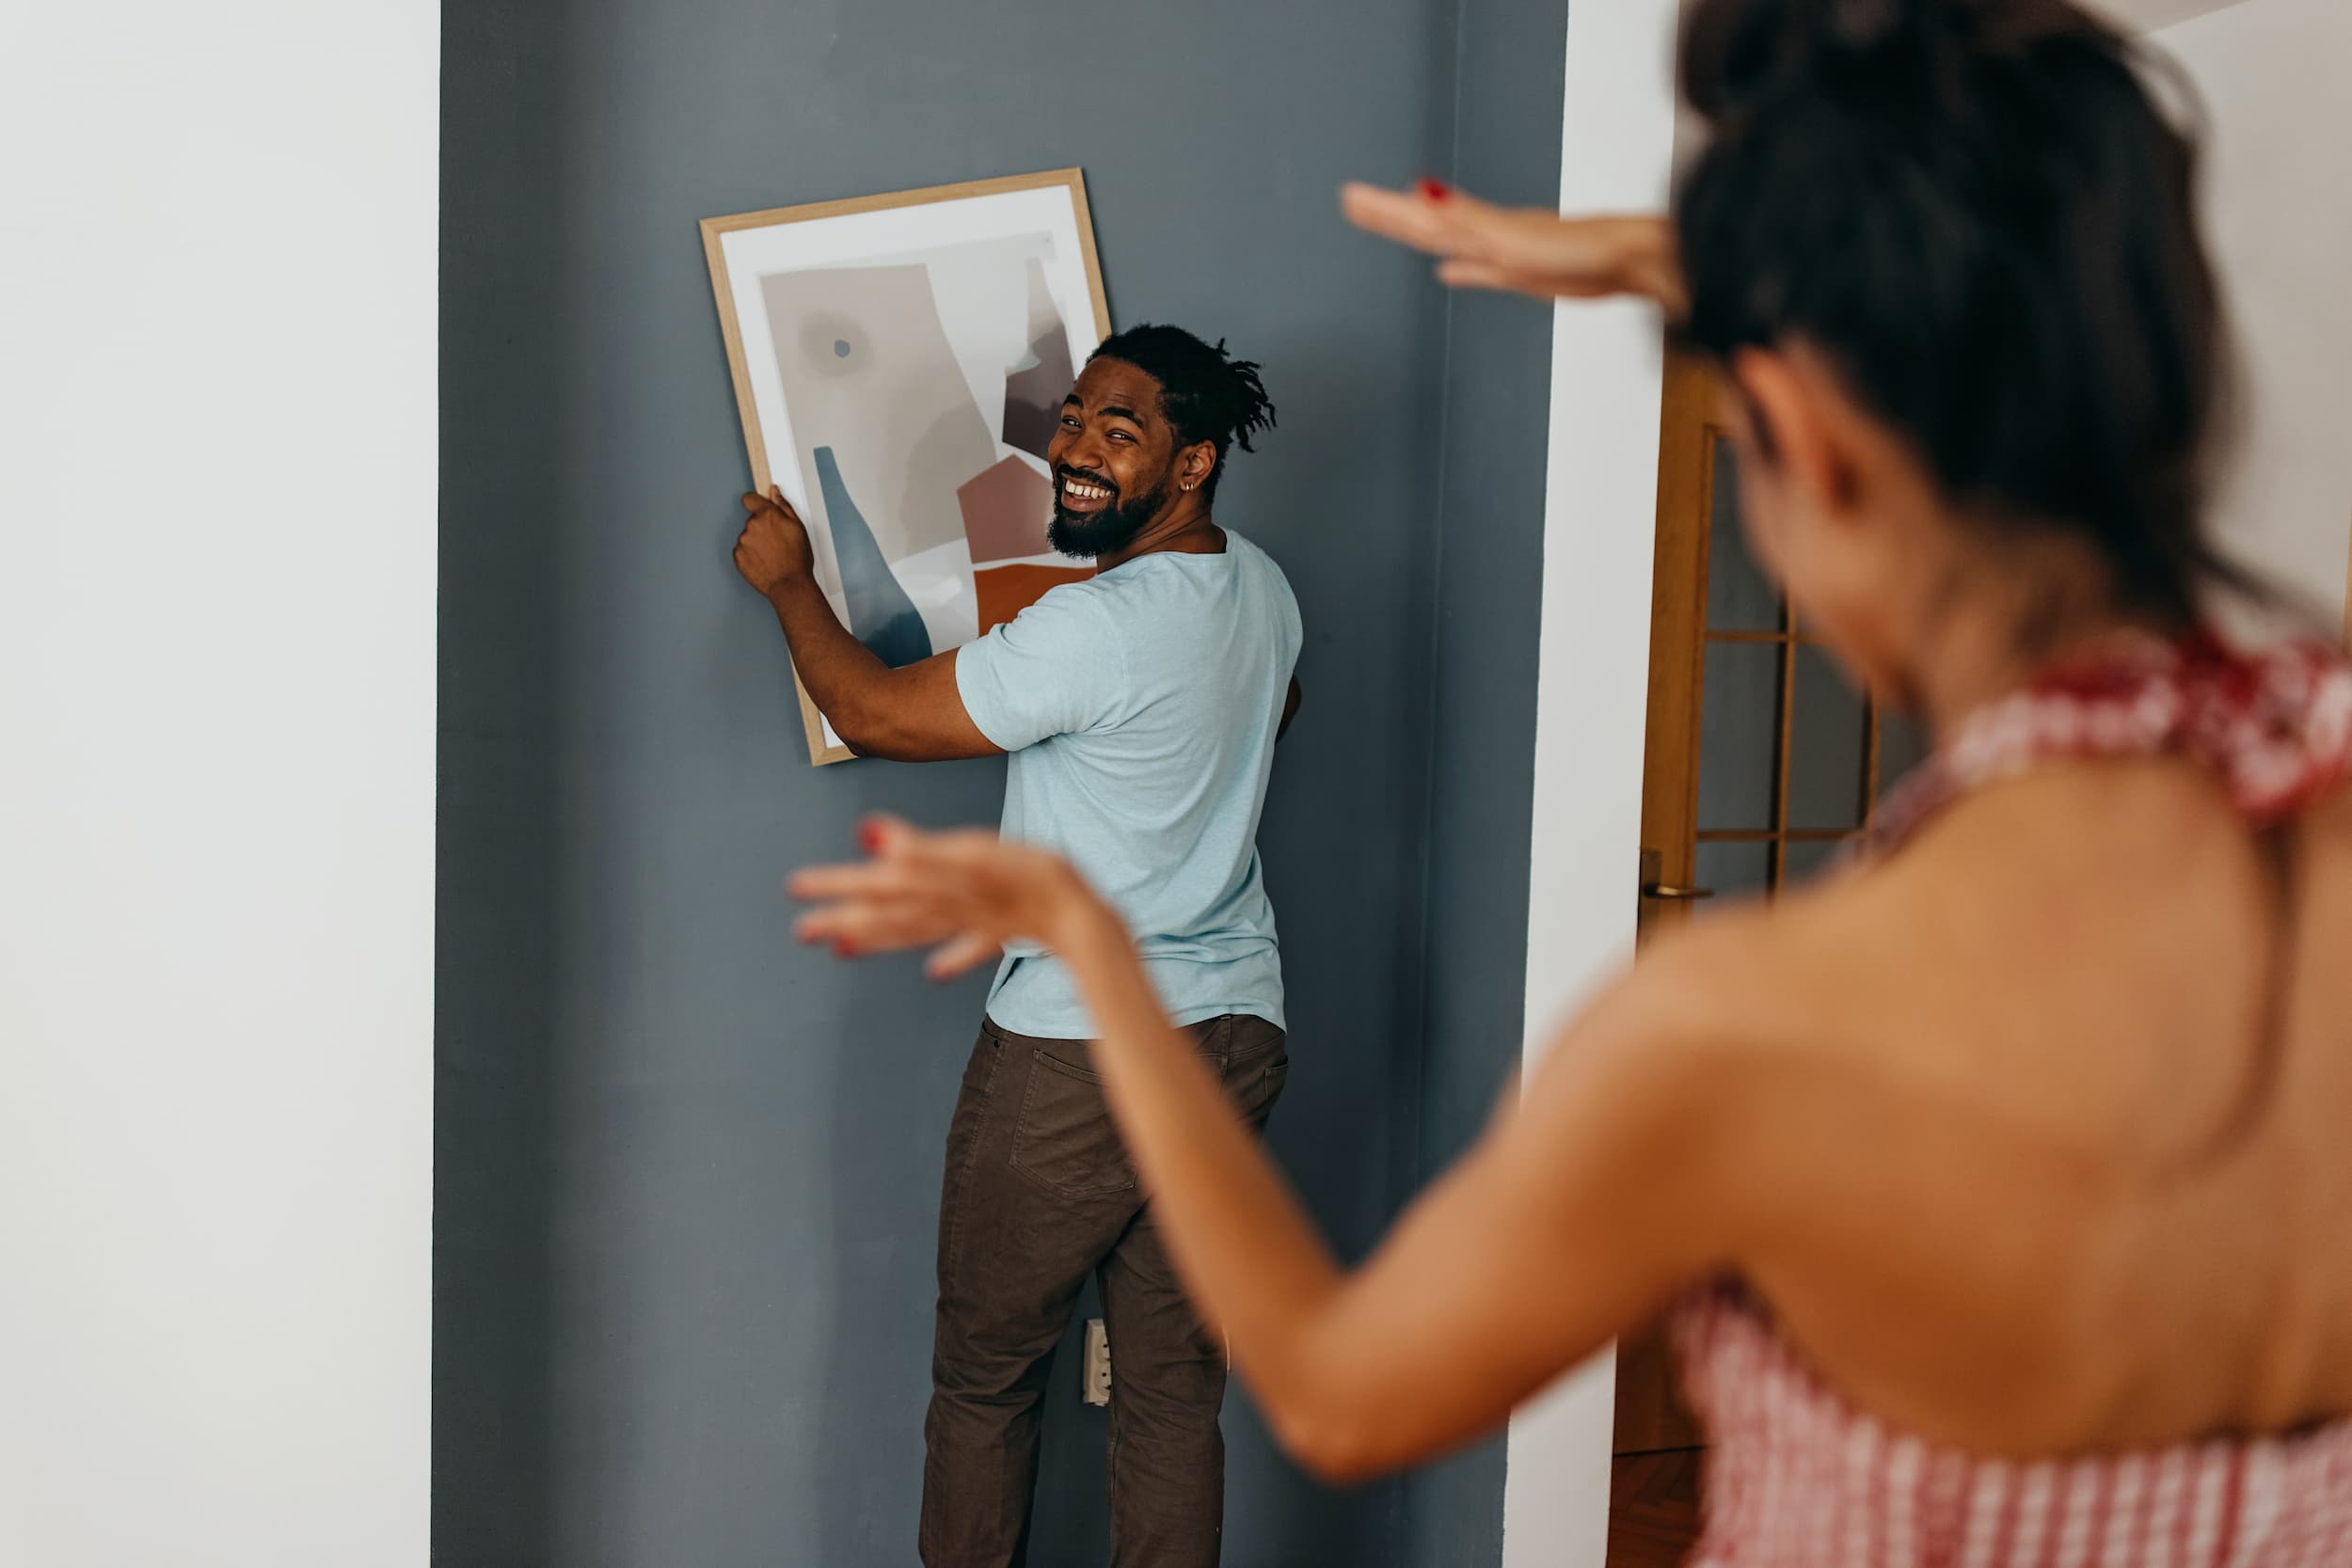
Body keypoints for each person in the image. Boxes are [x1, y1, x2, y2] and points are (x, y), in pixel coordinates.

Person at [787, 2, 2352, 1562]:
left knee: (988, 1373)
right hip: (1248, 1007)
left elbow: (1343, 1392)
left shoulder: (1743, 1032)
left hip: (1106, 1027)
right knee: (1170, 1387)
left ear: (1804, 440)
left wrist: (1076, 927)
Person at [732, 323, 1303, 1568]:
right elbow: (1275, 705)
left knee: (988, 1374)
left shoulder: (1094, 631)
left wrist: (787, 579)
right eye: (1073, 416)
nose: (1076, 449)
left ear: (1192, 462)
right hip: (1235, 1032)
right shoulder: (1260, 589)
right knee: (1169, 1390)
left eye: (1121, 429)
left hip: (1084, 1056)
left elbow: (874, 712)